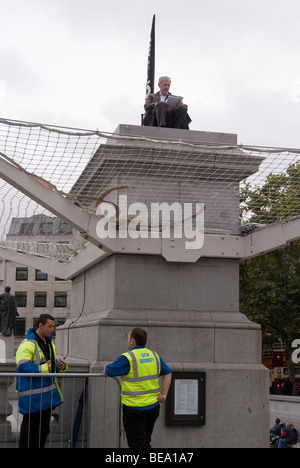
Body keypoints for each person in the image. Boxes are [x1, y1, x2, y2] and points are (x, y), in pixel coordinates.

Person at [103, 327, 172, 448]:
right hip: (153, 408)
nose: (127, 340)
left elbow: (107, 371)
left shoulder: (128, 358)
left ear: (132, 341)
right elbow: (168, 372)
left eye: (128, 337)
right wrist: (164, 394)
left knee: (137, 445)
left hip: (135, 410)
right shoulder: (154, 355)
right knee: (144, 442)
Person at [16, 314, 68, 448]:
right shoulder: (27, 344)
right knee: (29, 435)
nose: (52, 329)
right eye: (50, 326)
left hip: (45, 399)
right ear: (40, 325)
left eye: (53, 326)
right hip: (32, 399)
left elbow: (50, 363)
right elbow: (22, 366)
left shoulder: (50, 343)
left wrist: (61, 366)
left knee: (42, 433)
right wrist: (45, 368)